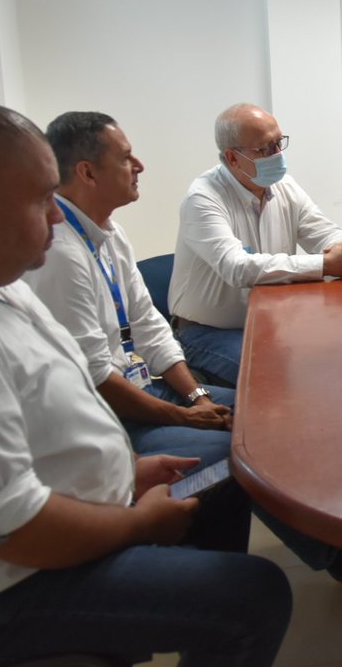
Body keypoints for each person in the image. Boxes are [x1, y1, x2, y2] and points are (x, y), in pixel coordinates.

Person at [0, 99, 291, 666]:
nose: (56, 216)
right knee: (255, 596)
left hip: (50, 527)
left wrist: (121, 474)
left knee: (220, 476)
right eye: (44, 200)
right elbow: (15, 528)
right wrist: (132, 521)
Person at [24, 111, 234, 466]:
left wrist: (197, 397)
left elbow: (148, 323)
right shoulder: (59, 252)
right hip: (104, 414)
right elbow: (96, 377)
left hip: (141, 386)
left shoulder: (109, 232)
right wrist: (183, 416)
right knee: (232, 447)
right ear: (87, 172)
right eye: (125, 158)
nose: (139, 165)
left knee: (261, 412)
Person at [170, 102, 342, 387]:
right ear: (232, 158)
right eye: (265, 149)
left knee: (335, 357)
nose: (277, 155)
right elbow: (237, 268)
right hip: (207, 332)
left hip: (272, 322)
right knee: (283, 378)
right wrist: (325, 264)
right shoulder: (202, 198)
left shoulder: (285, 186)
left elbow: (323, 232)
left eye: (279, 143)